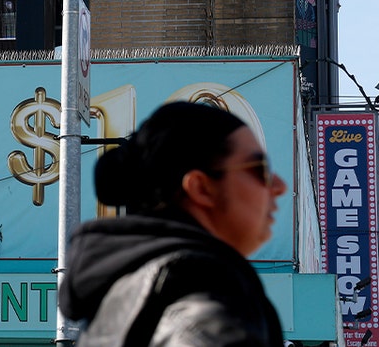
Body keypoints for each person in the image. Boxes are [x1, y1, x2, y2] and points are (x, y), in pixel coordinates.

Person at [58, 101, 287, 346]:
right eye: (260, 169)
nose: (279, 186)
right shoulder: (203, 293)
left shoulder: (122, 296)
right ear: (201, 188)